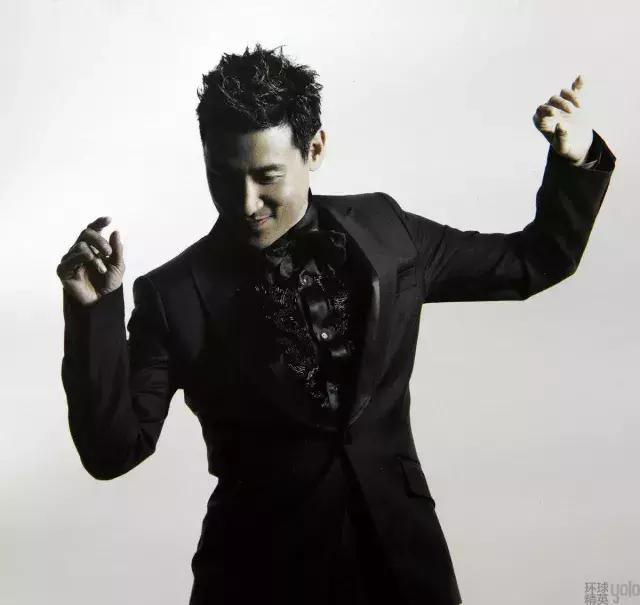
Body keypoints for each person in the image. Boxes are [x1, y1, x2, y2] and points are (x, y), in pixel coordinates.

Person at [56, 43, 616, 605]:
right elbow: (113, 451)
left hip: (406, 562)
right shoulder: (175, 294)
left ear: (315, 148)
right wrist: (91, 314)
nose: (246, 203)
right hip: (257, 578)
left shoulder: (387, 229)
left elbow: (533, 261)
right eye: (222, 177)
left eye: (267, 176)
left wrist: (577, 157)